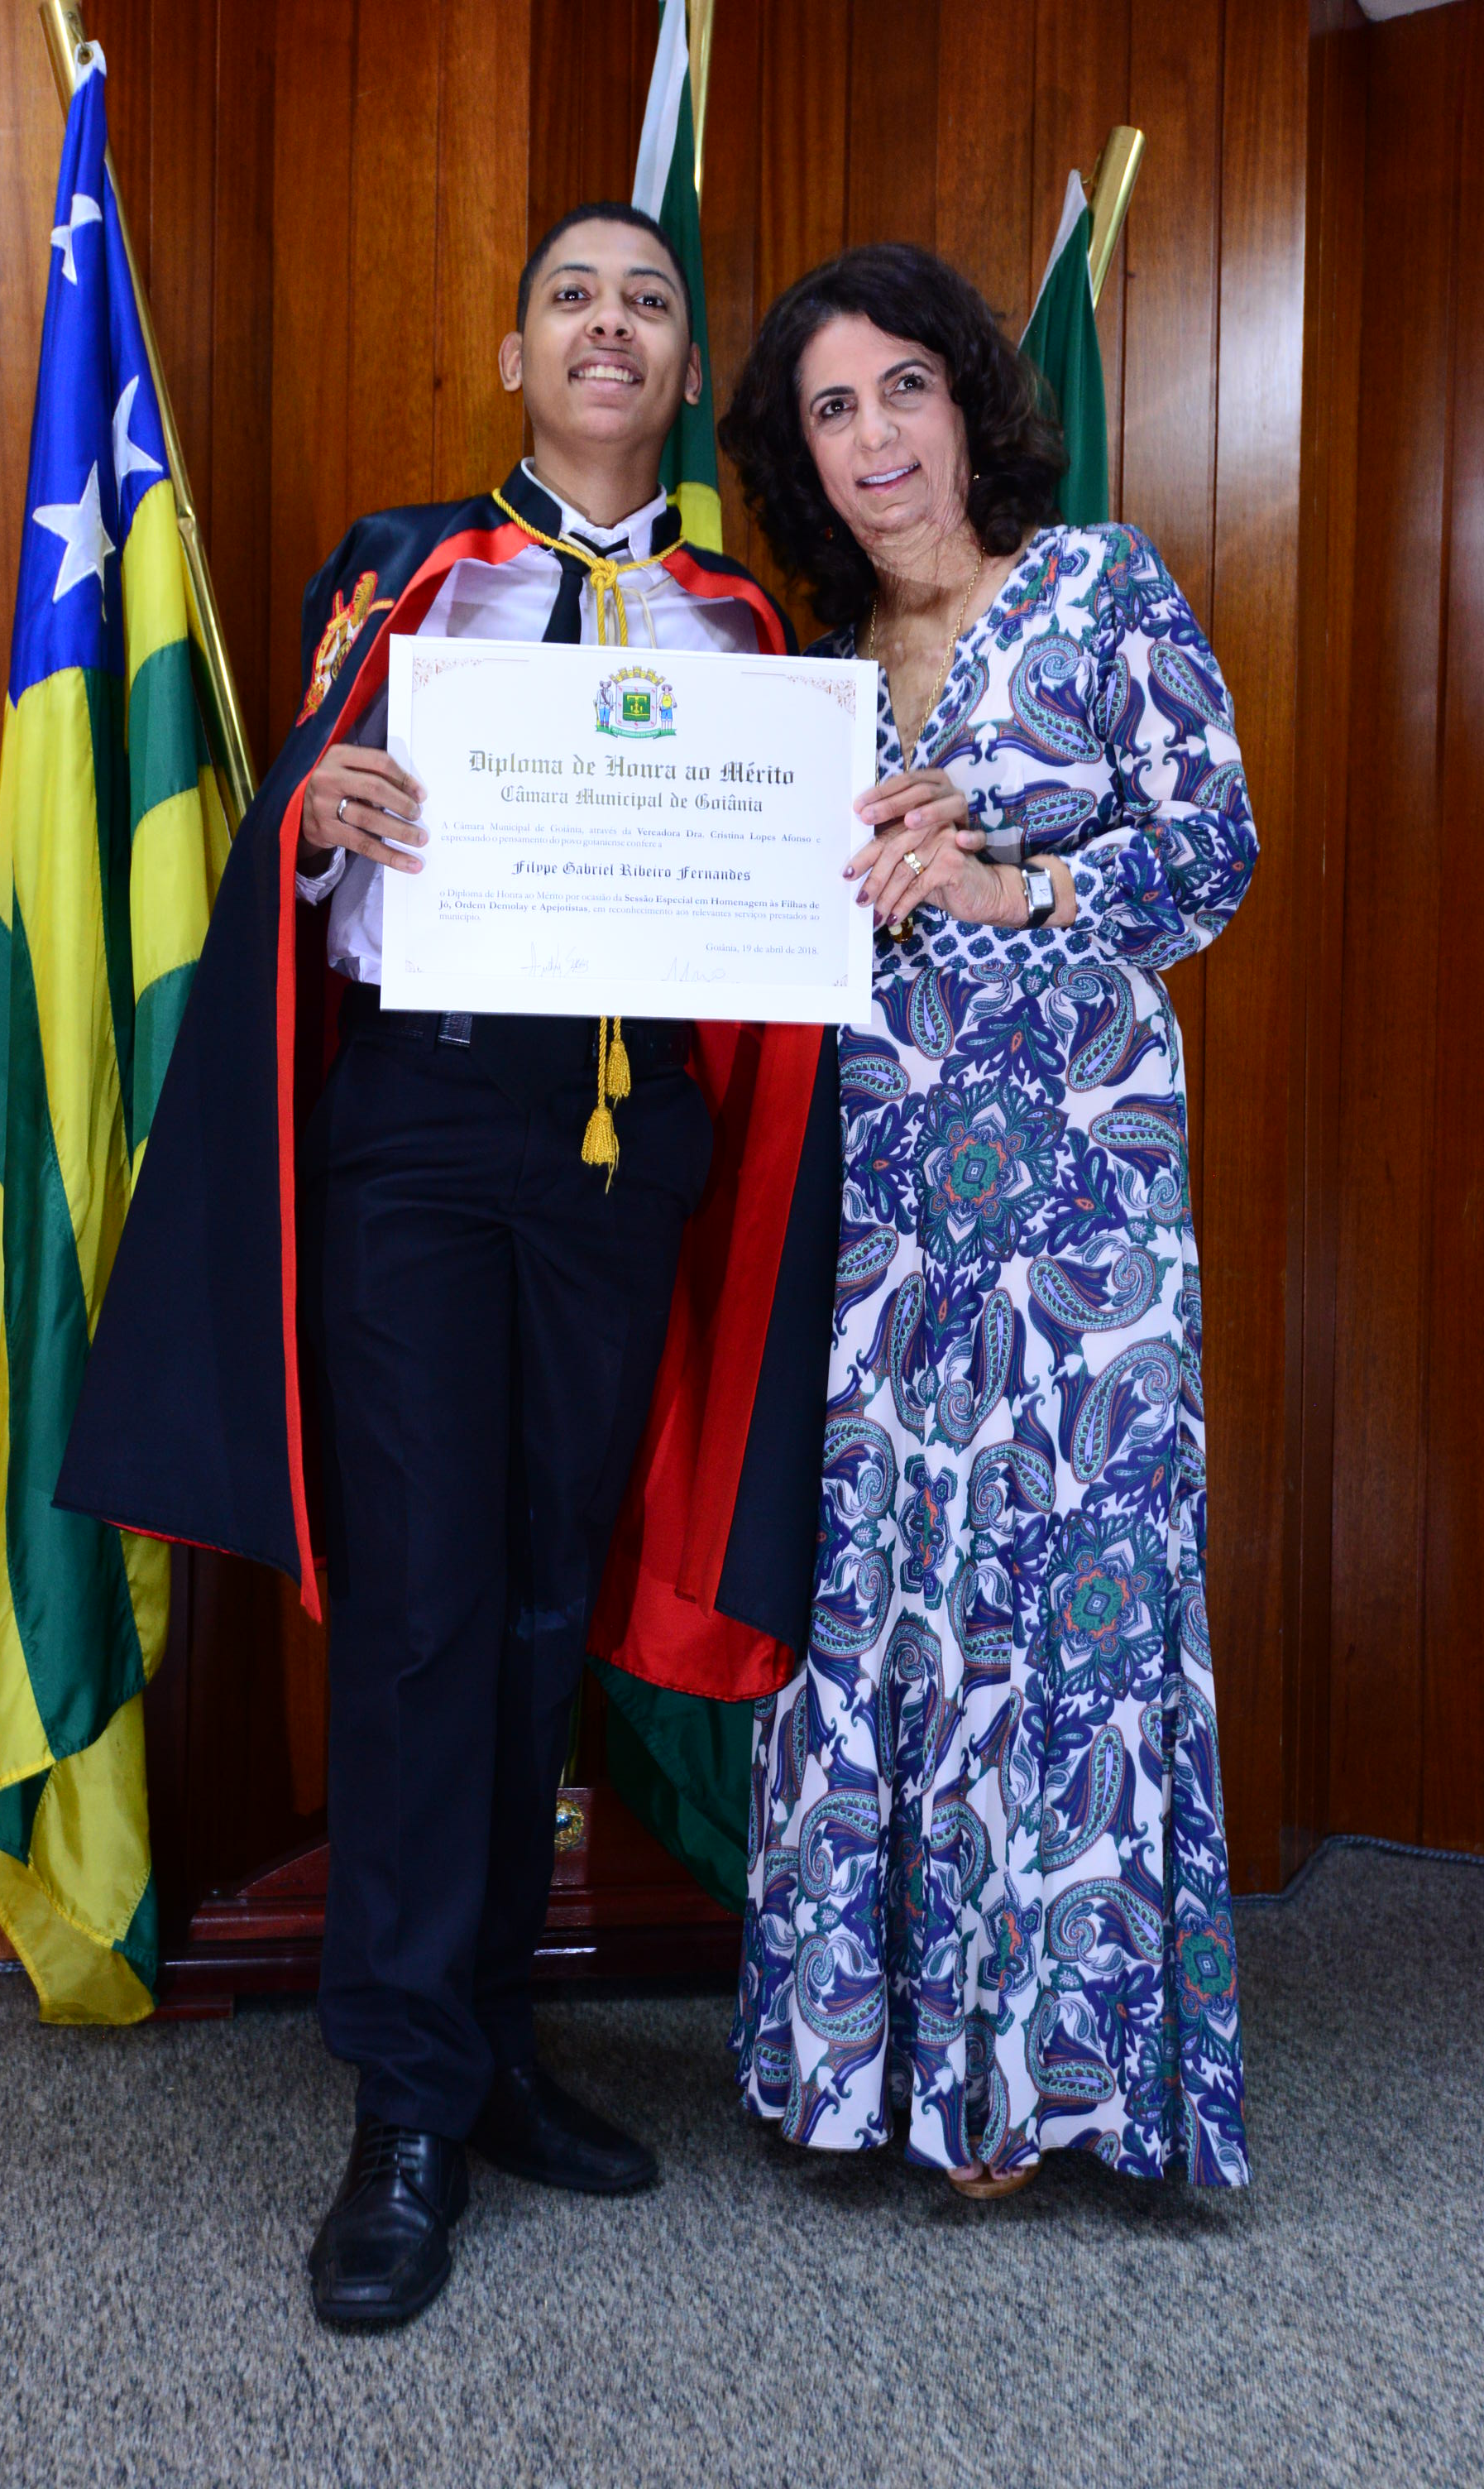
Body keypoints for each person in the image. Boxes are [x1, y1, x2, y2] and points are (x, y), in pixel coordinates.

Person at [58, 204, 840, 2328]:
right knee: (419, 1605)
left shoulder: (745, 627)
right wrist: (316, 819)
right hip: (420, 1124)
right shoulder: (402, 571)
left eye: (648, 302)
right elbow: (297, 851)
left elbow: (776, 902)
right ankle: (400, 2100)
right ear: (514, 354)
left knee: (537, 1604)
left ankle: (490, 2043)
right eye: (572, 296)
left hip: (621, 1149)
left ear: (685, 374)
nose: (609, 326)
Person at [719, 244, 1254, 2193]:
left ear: (965, 402)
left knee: (1059, 1601)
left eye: (902, 388)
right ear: (798, 456)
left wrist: (1011, 887)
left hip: (1081, 1219)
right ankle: (874, 2068)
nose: (872, 435)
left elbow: (1213, 852)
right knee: (881, 1594)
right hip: (875, 1214)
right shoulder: (803, 685)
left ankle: (1036, 2087)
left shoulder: (1099, 586)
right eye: (829, 408)